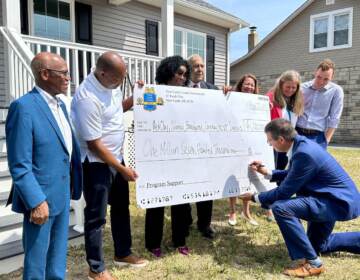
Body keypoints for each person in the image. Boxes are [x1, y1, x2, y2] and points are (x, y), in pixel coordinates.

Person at [242, 118, 360, 278]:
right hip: (329, 197)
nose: (270, 144)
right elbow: (297, 173)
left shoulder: (304, 153)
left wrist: (255, 197)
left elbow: (283, 193)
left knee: (281, 207)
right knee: (318, 246)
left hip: (335, 202)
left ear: (281, 139)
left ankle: (313, 263)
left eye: (270, 140)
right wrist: (269, 172)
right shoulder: (301, 145)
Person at [6, 52, 83, 280]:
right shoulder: (23, 107)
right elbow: (19, 163)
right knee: (37, 263)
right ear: (45, 74)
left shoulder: (61, 105)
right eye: (64, 73)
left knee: (57, 258)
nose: (69, 78)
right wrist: (36, 201)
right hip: (40, 199)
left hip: (61, 193)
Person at [71, 51, 148, 280]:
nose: (119, 84)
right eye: (118, 79)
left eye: (122, 79)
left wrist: (134, 97)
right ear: (103, 73)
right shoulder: (87, 97)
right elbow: (94, 144)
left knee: (121, 207)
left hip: (116, 159)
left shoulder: (110, 84)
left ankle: (122, 253)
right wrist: (122, 168)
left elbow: (116, 111)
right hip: (96, 164)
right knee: (96, 217)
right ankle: (96, 268)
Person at [145, 55, 191, 257]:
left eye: (185, 74)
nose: (183, 77)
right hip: (157, 156)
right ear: (168, 72)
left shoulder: (188, 96)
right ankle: (153, 243)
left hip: (181, 156)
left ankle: (179, 240)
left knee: (181, 200)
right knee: (156, 200)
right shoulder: (151, 92)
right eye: (179, 73)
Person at [224, 74, 264, 226]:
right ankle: (233, 211)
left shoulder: (257, 102)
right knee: (233, 177)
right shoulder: (231, 99)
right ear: (241, 85)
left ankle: (246, 212)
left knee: (249, 178)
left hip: (251, 146)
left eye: (252, 85)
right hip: (234, 144)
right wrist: (226, 93)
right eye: (246, 84)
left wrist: (266, 109)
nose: (249, 87)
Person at [187, 54, 217, 239]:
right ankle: (186, 219)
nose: (200, 69)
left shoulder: (212, 90)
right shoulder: (178, 88)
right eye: (196, 66)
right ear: (189, 69)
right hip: (185, 146)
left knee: (206, 185)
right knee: (188, 184)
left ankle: (204, 224)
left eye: (202, 65)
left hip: (207, 146)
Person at [296, 59, 344, 149]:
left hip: (318, 137)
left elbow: (335, 117)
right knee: (295, 162)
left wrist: (327, 139)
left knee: (314, 163)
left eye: (326, 79)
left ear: (332, 77)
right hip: (298, 132)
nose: (321, 82)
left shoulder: (336, 91)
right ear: (315, 73)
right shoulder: (302, 88)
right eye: (319, 77)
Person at [266, 70, 304, 170]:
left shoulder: (295, 100)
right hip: (275, 141)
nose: (290, 90)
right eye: (288, 87)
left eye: (294, 87)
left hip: (288, 141)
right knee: (274, 169)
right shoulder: (271, 97)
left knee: (283, 168)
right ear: (281, 84)